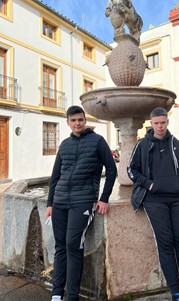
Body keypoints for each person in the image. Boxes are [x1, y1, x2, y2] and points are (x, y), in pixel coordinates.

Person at [127, 107, 179, 301]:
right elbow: (131, 170)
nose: (160, 126)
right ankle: (176, 291)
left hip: (176, 199)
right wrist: (150, 185)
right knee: (166, 244)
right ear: (151, 124)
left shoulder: (175, 143)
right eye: (156, 123)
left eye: (163, 122)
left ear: (167, 122)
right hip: (154, 201)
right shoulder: (142, 144)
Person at [45, 105, 117, 301]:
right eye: (73, 120)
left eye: (80, 120)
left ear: (85, 121)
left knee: (73, 245)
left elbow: (112, 171)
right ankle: (57, 293)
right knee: (60, 247)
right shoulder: (65, 144)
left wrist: (104, 198)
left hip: (83, 201)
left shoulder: (98, 141)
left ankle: (72, 296)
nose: (77, 123)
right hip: (60, 201)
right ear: (68, 122)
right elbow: (56, 175)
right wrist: (50, 203)